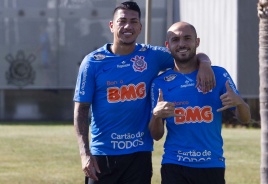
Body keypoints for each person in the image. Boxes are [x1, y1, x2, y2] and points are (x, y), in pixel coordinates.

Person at [73, 2, 215, 184]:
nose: (127, 26)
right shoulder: (92, 62)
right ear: (111, 25)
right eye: (122, 21)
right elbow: (81, 109)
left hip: (139, 155)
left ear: (140, 27)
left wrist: (204, 63)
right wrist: (85, 153)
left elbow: (185, 52)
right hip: (103, 154)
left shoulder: (152, 56)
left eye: (133, 21)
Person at [149, 22, 251, 184]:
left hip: (211, 164)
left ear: (197, 42)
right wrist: (156, 116)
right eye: (175, 40)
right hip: (174, 165)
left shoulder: (219, 74)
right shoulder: (160, 83)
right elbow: (156, 135)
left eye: (187, 38)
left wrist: (239, 103)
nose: (181, 44)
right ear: (168, 46)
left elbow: (245, 118)